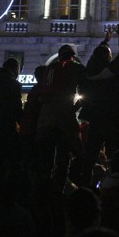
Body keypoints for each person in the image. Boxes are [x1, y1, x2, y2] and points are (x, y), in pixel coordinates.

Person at [78, 24, 119, 185]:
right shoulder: (110, 71)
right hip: (110, 118)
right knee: (114, 153)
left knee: (91, 154)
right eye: (109, 54)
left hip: (94, 119)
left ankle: (85, 182)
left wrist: (106, 41)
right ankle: (115, 182)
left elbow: (96, 57)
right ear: (108, 58)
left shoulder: (89, 72)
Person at [37, 44, 86, 184]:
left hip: (45, 119)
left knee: (47, 156)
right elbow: (87, 92)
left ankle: (45, 186)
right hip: (65, 116)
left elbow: (42, 93)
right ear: (73, 56)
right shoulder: (77, 68)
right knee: (73, 154)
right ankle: (66, 184)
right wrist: (74, 108)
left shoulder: (50, 69)